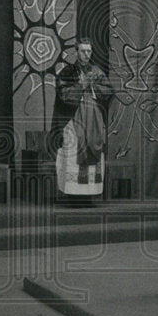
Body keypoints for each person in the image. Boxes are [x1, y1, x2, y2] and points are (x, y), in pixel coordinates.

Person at [49, 37, 114, 202]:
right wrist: (81, 85)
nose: (86, 54)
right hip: (73, 119)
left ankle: (89, 194)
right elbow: (63, 94)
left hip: (94, 121)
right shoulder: (67, 72)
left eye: (89, 51)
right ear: (76, 52)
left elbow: (108, 92)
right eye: (83, 51)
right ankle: (72, 194)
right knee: (72, 150)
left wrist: (94, 86)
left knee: (94, 149)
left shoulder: (97, 71)